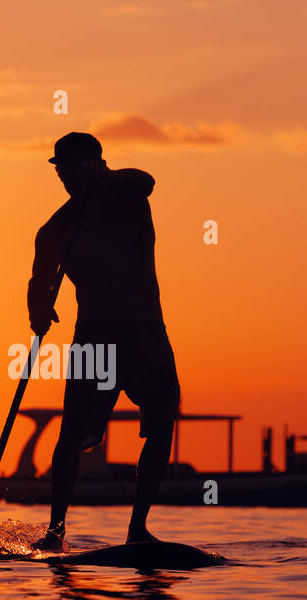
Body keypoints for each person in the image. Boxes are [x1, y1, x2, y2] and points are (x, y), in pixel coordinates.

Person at [28, 132, 180, 550]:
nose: (61, 177)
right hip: (95, 339)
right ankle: (55, 532)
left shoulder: (130, 195)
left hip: (147, 333)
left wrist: (104, 181)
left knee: (162, 416)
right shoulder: (57, 229)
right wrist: (38, 310)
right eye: (58, 170)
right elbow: (38, 282)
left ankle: (138, 529)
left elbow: (146, 179)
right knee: (74, 432)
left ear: (93, 166)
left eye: (68, 169)